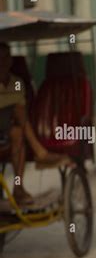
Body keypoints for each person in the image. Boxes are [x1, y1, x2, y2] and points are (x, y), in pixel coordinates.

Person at [0, 42, 72, 205]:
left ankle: (18, 188)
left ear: (11, 60)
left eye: (5, 57)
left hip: (6, 132)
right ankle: (40, 151)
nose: (2, 62)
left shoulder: (16, 83)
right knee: (18, 113)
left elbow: (20, 112)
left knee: (18, 130)